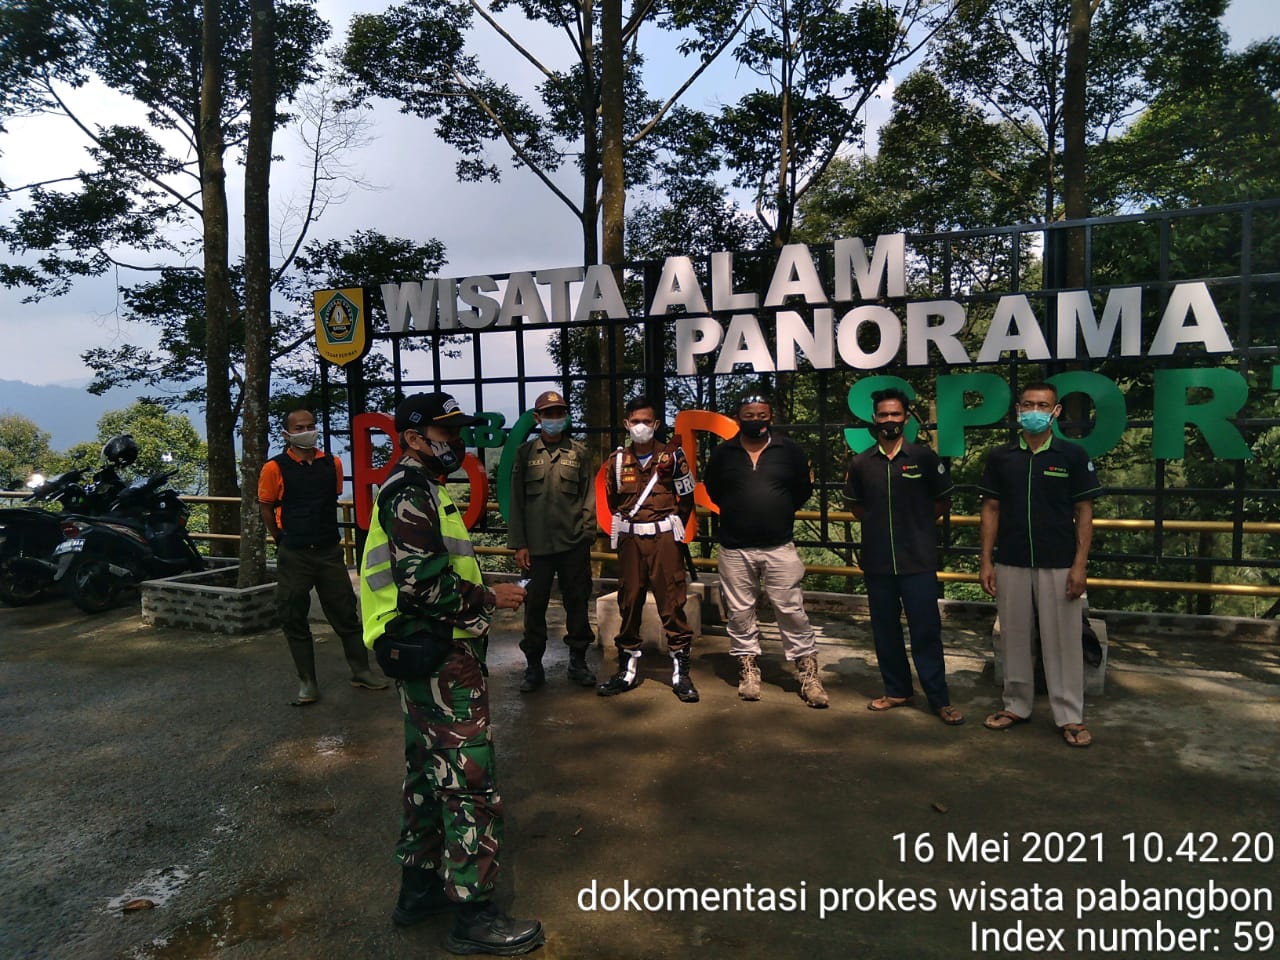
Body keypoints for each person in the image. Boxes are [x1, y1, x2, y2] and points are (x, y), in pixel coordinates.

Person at [360, 392, 544, 955]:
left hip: (426, 652)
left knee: (426, 774)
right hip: (440, 656)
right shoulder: (410, 492)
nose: (456, 441)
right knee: (468, 781)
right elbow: (423, 585)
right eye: (446, 432)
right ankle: (473, 912)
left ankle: (418, 892)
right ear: (413, 438)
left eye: (459, 431)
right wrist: (492, 597)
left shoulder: (421, 487)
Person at [978, 381, 1102, 748]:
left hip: (1059, 563)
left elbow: (1084, 512)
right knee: (1014, 636)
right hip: (1011, 560)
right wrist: (986, 560)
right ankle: (1016, 705)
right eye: (1028, 404)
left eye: (1043, 405)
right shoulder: (1001, 457)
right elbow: (991, 509)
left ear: (1056, 411)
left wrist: (1080, 565)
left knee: (1063, 641)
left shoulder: (1072, 455)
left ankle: (1070, 715)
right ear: (1018, 410)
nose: (1035, 411)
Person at [843, 389, 962, 725]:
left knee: (926, 630)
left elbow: (942, 501)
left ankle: (939, 699)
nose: (889, 421)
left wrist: (917, 526)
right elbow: (856, 507)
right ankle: (897, 690)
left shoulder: (924, 458)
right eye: (884, 415)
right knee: (885, 629)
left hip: (918, 561)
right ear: (874, 419)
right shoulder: (861, 463)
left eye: (895, 415)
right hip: (878, 561)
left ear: (906, 418)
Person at [702, 396, 828, 707]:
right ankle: (748, 669)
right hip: (735, 549)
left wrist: (775, 509)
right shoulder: (722, 454)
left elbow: (802, 490)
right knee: (739, 613)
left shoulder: (789, 450)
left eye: (762, 415)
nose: (756, 420)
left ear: (771, 418)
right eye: (749, 415)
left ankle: (808, 674)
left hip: (779, 546)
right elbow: (714, 490)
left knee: (791, 610)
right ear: (737, 418)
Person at [257, 408, 388, 706]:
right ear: (287, 434)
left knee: (345, 612)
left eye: (311, 425)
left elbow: (332, 497)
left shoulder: (332, 463)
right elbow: (266, 506)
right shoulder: (274, 468)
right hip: (295, 553)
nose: (307, 431)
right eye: (299, 427)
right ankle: (307, 682)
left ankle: (361, 671)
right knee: (292, 615)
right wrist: (280, 538)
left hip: (329, 551)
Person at [599, 395, 699, 702]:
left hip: (663, 539)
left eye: (646, 421)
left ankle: (681, 674)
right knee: (629, 600)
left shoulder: (673, 456)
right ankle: (626, 670)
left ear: (656, 424)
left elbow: (686, 499)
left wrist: (671, 530)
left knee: (672, 601)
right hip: (631, 540)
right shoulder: (618, 462)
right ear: (626, 424)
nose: (641, 426)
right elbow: (614, 501)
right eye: (635, 421)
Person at [508, 390, 597, 692]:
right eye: (549, 414)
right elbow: (517, 502)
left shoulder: (580, 453)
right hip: (536, 549)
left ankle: (578, 661)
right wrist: (519, 544)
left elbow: (588, 498)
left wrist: (586, 537)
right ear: (538, 418)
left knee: (577, 603)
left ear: (565, 416)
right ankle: (534, 666)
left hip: (573, 545)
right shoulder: (525, 454)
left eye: (559, 413)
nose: (554, 418)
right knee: (534, 607)